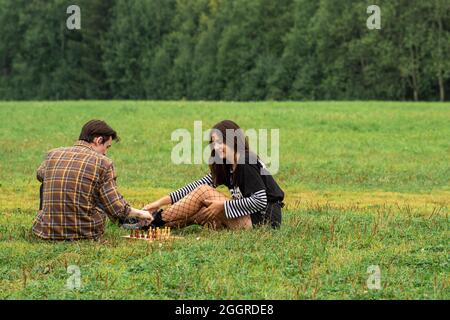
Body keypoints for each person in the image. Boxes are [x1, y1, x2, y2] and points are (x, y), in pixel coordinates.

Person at [140, 120, 284, 230]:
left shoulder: (245, 161)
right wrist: (158, 203)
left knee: (204, 192)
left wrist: (223, 205)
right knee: (199, 210)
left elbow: (260, 201)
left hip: (264, 220)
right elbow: (193, 188)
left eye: (220, 142)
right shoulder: (227, 165)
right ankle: (150, 225)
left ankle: (154, 219)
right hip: (250, 216)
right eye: (213, 143)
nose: (216, 147)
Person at [32, 120, 153, 240]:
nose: (105, 153)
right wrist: (141, 214)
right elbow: (117, 207)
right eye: (107, 147)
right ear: (98, 140)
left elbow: (40, 175)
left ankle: (53, 221)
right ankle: (125, 222)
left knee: (48, 183)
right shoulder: (103, 163)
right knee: (100, 188)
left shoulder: (53, 154)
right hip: (85, 232)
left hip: (45, 231)